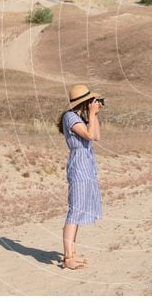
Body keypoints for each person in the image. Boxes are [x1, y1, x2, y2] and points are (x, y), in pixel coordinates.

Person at [56, 84, 104, 270]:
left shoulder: (80, 117)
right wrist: (91, 114)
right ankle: (68, 257)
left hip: (87, 166)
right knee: (74, 211)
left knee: (78, 211)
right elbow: (90, 134)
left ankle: (72, 254)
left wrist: (95, 114)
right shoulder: (70, 117)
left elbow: (96, 136)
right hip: (79, 167)